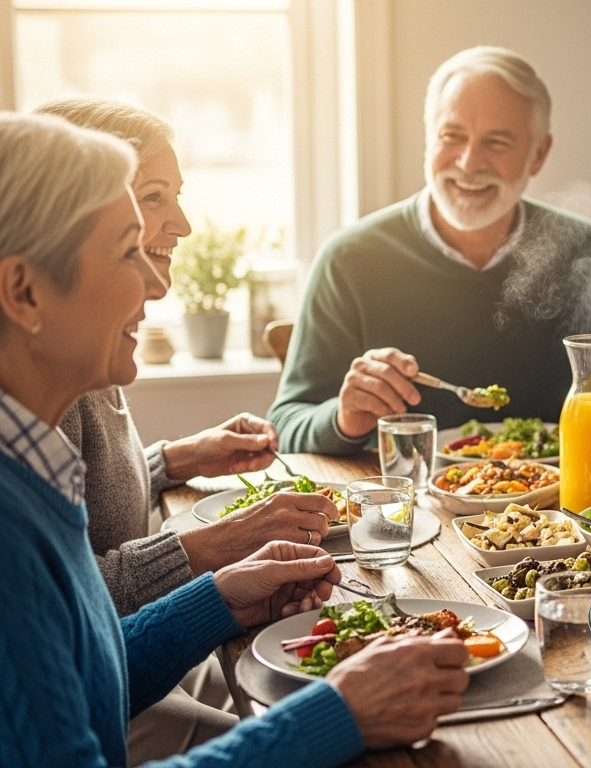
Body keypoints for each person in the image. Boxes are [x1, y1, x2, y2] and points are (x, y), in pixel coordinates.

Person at [0, 112, 468, 767]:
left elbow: (85, 678)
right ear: (24, 292)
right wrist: (336, 715)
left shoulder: (32, 466)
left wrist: (218, 600)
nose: (158, 283)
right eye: (126, 251)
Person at [35, 97, 336, 762]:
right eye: (147, 205)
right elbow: (79, 600)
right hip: (121, 662)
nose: (160, 282)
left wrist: (174, 463)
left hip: (123, 650)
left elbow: (85, 507)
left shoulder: (56, 403)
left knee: (295, 665)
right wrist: (215, 548)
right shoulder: (24, 467)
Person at [270, 46, 591, 454]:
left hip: (560, 511)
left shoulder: (586, 249)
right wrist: (342, 419)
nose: (469, 163)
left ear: (538, 154)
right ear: (428, 138)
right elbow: (287, 424)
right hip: (410, 513)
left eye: (497, 142)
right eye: (452, 136)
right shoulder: (349, 259)